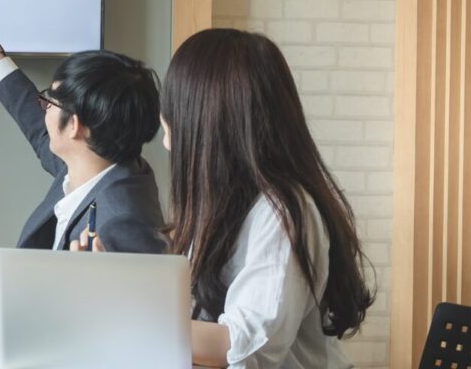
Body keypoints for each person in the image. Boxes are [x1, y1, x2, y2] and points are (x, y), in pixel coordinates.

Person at [75, 29, 374, 368]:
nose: (168, 142)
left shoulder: (282, 213)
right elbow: (197, 317)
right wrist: (110, 283)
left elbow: (246, 347)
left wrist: (117, 312)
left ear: (207, 123)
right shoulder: (225, 205)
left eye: (174, 121)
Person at [0, 0, 166, 254]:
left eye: (49, 101)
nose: (44, 110)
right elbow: (36, 125)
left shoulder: (123, 222)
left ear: (75, 126)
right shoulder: (96, 164)